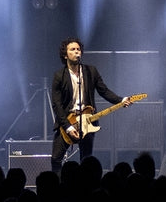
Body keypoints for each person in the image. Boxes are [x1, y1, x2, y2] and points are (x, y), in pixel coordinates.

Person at [50, 37, 131, 173]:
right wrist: (68, 127)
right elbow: (56, 104)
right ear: (65, 55)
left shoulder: (90, 71)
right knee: (56, 159)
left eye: (78, 49)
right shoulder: (59, 76)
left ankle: (86, 187)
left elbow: (103, 91)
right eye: (72, 49)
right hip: (67, 121)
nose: (77, 52)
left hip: (87, 120)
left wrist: (121, 100)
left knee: (86, 159)